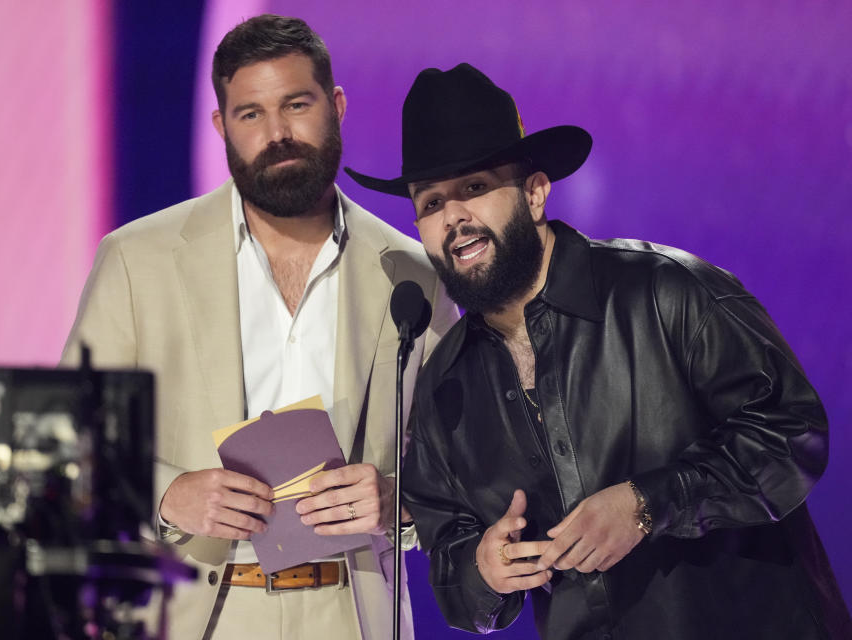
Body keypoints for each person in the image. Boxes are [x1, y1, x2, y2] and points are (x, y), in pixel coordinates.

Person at [345, 63, 851, 639]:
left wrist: (646, 504)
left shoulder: (667, 292)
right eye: (431, 203)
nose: (453, 217)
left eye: (476, 188)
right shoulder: (446, 383)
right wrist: (485, 569)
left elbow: (792, 434)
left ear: (535, 192)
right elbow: (454, 572)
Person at [62, 15, 457, 640]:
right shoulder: (137, 260)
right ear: (221, 127)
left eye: (296, 105)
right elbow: (66, 442)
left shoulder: (410, 274)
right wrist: (167, 497)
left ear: (336, 106)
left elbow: (458, 463)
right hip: (194, 613)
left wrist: (395, 501)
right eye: (250, 115)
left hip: (352, 615)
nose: (277, 134)